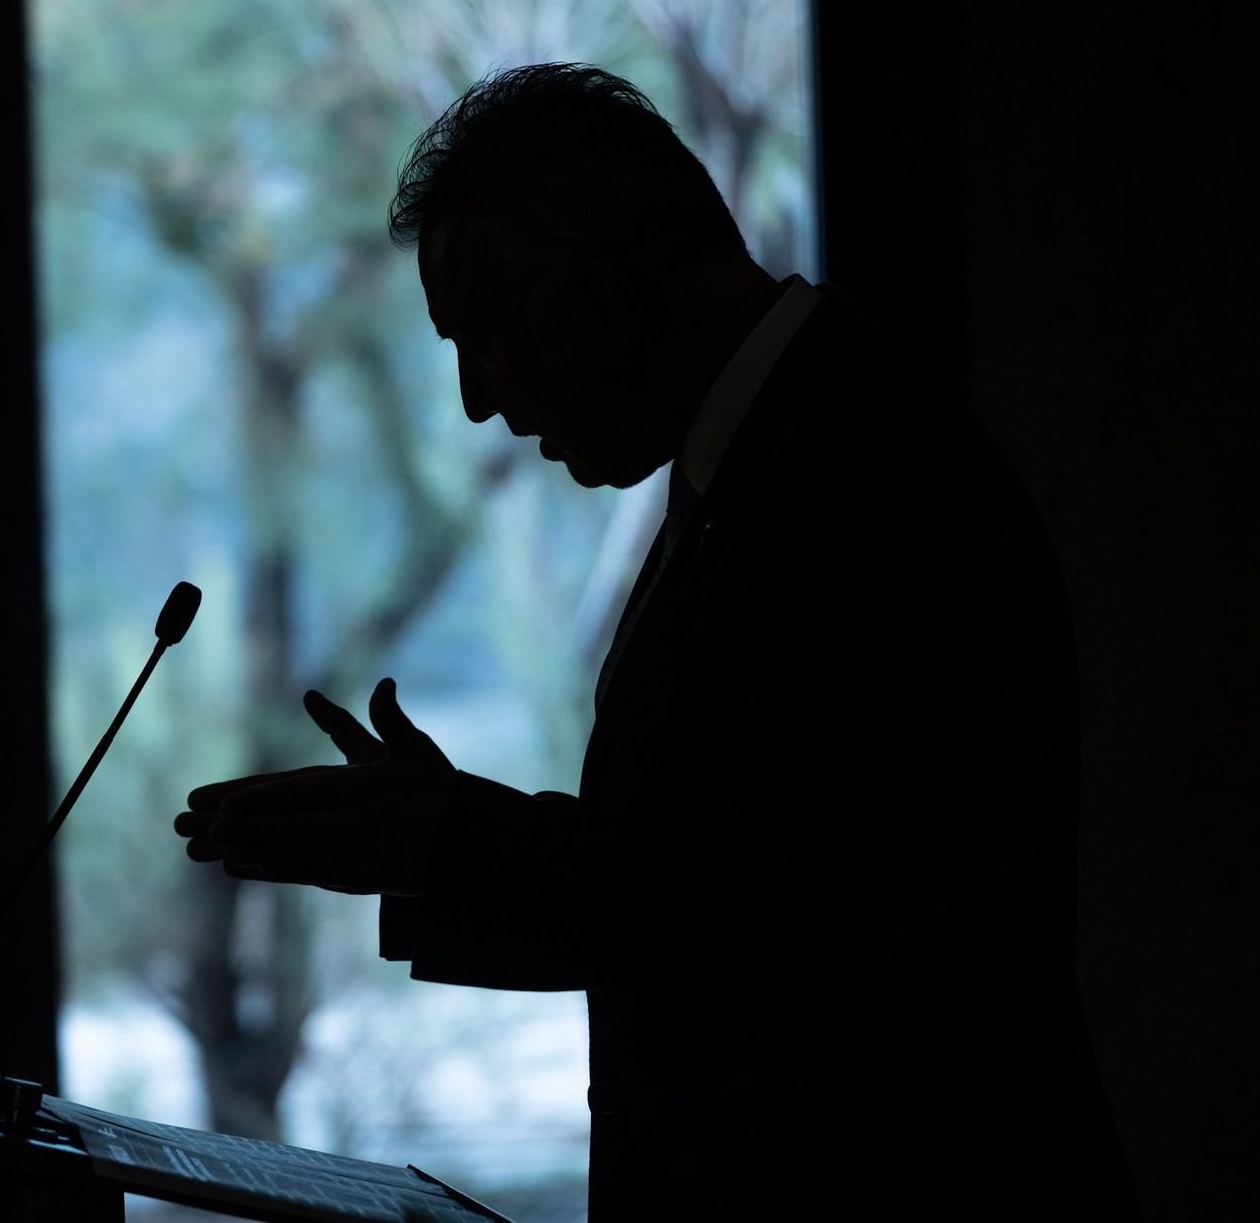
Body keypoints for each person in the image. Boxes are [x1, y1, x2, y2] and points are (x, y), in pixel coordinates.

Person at [172, 65, 1136, 1220]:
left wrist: (454, 845)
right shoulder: (803, 442)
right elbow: (737, 874)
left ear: (597, 290)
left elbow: (791, 927)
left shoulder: (860, 477)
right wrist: (439, 841)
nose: (479, 398)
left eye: (486, 334)